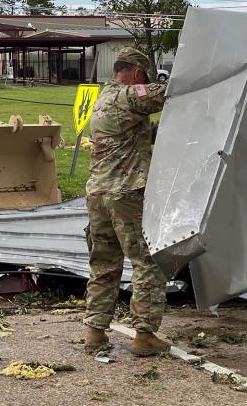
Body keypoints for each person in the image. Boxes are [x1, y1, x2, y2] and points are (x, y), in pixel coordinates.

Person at [83, 46, 170, 357]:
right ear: (136, 73)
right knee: (147, 261)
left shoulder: (104, 97)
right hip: (126, 194)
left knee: (104, 264)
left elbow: (134, 134)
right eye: (143, 77)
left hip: (97, 194)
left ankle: (95, 331)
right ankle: (144, 335)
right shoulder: (131, 94)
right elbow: (168, 93)